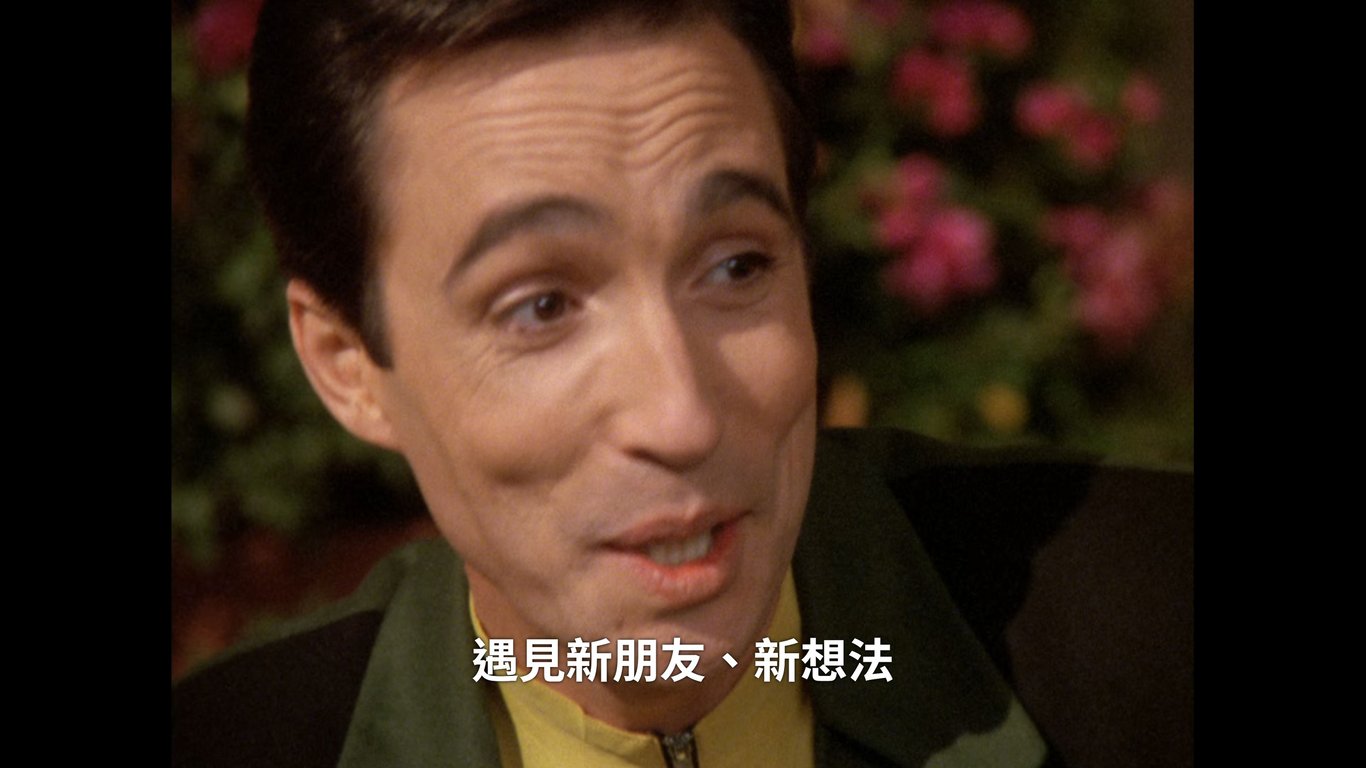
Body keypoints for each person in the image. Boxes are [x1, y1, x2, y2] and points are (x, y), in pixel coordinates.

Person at [171, 1, 1193, 766]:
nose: (683, 415)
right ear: (347, 363)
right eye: (540, 306)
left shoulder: (1152, 630)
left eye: (736, 266)